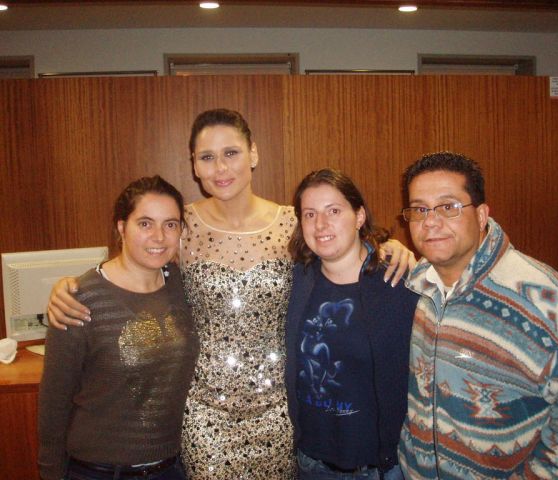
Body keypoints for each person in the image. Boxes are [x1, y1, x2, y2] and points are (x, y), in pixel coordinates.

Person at [46, 109, 415, 479]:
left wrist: (386, 246)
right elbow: (137, 264)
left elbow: (340, 249)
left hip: (280, 412)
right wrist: (76, 287)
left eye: (231, 153)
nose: (220, 168)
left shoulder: (293, 222)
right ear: (194, 165)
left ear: (253, 153)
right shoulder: (181, 226)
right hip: (206, 415)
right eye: (207, 157)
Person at [397, 152, 558, 479]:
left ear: (481, 215)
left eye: (448, 207)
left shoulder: (545, 298)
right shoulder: (422, 285)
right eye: (420, 209)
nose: (430, 222)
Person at [38, 176, 199, 480]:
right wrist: (50, 473)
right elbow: (54, 403)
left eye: (170, 224)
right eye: (145, 223)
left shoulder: (183, 285)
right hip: (98, 472)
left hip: (171, 468)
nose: (159, 237)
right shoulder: (80, 299)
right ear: (122, 227)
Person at [285, 169, 418, 480]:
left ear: (359, 216)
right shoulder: (295, 281)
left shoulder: (399, 282)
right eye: (310, 214)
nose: (321, 224)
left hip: (379, 468)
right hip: (311, 463)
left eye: (333, 211)